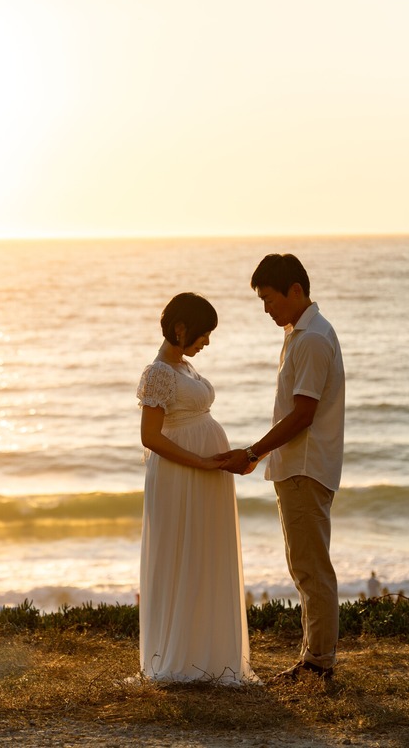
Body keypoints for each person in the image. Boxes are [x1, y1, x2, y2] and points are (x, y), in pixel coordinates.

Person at [217, 253, 345, 682]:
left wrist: (253, 453)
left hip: (304, 468)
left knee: (311, 569)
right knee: (306, 566)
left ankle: (318, 663)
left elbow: (302, 414)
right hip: (300, 466)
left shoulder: (310, 339)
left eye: (269, 298)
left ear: (295, 290)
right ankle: (315, 658)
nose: (266, 308)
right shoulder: (302, 332)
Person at [135, 292, 258, 685]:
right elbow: (151, 437)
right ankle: (182, 659)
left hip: (207, 475)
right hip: (180, 477)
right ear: (181, 328)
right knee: (182, 556)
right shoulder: (157, 373)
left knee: (206, 555)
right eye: (204, 333)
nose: (207, 341)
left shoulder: (185, 368)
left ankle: (210, 654)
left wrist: (222, 459)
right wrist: (203, 461)